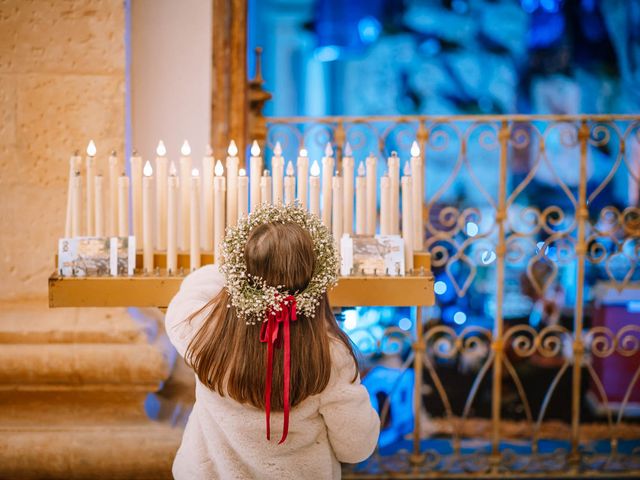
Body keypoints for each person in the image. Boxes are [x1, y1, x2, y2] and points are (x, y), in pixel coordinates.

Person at [165, 203, 380, 479]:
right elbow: (356, 447)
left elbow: (196, 286)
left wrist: (238, 271)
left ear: (239, 276)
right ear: (316, 282)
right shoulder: (330, 355)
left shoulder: (201, 329)